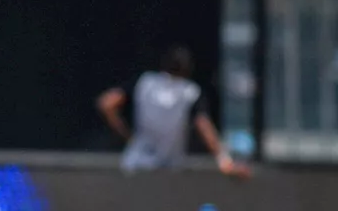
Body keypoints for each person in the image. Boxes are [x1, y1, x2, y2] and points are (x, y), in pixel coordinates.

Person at [97, 45, 251, 178]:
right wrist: (225, 160)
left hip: (135, 165)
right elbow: (204, 126)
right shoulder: (190, 92)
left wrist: (126, 135)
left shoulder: (145, 83)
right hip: (168, 171)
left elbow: (107, 103)